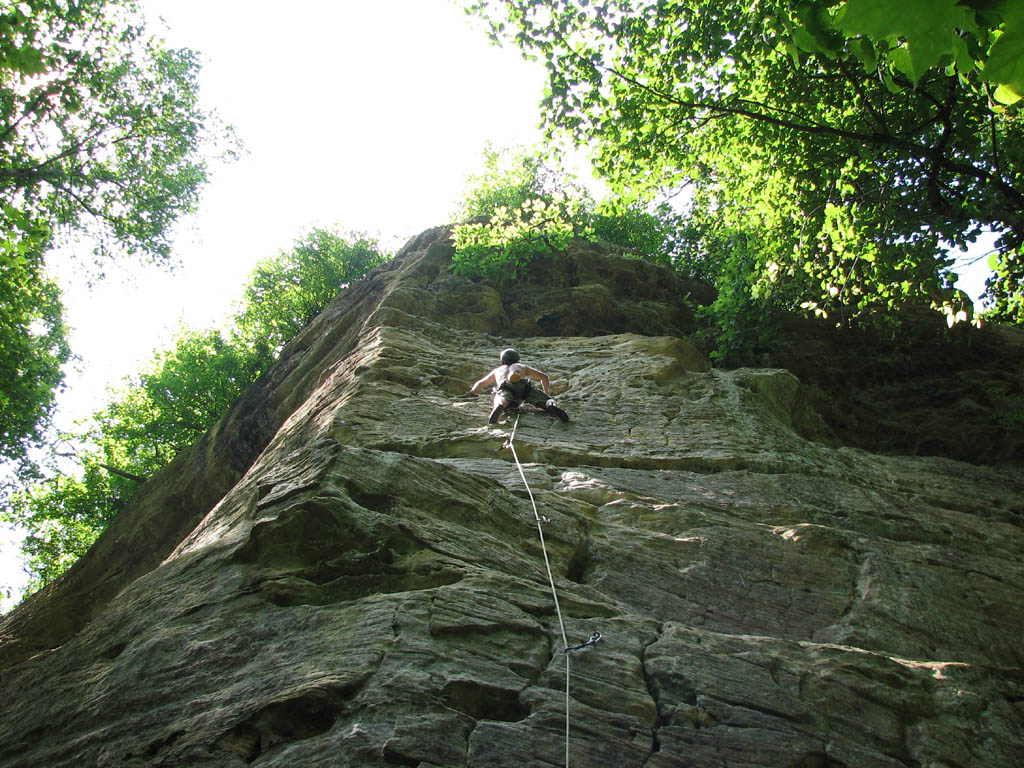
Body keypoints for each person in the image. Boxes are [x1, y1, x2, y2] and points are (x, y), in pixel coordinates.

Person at [470, 348, 569, 424]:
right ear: (517, 360)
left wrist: (474, 392)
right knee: (545, 400)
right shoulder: (521, 366)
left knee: (501, 398)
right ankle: (550, 405)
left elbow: (481, 383)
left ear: (502, 361)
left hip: (506, 387)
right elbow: (544, 377)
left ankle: (500, 405)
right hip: (524, 387)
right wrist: (546, 394)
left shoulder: (498, 370)